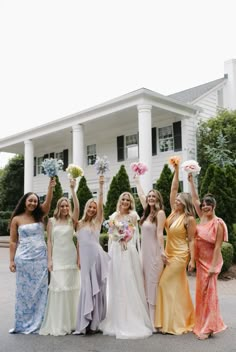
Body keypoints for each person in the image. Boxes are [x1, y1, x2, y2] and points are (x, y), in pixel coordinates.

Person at [100, 192, 153, 339]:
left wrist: (125, 238)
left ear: (131, 203)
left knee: (129, 281)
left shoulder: (133, 215)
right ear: (119, 200)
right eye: (123, 199)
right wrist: (116, 239)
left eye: (128, 200)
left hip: (128, 251)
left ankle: (132, 317)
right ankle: (116, 317)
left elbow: (133, 234)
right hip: (116, 251)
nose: (125, 201)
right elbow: (111, 235)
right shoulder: (113, 216)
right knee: (116, 283)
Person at [9, 177, 56, 334]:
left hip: (40, 259)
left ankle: (39, 321)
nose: (33, 203)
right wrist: (11, 260)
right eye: (30, 201)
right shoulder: (16, 219)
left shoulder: (39, 216)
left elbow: (48, 204)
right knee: (24, 293)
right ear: (25, 201)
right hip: (23, 259)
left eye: (35, 201)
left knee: (40, 291)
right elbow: (13, 242)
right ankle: (23, 323)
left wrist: (50, 187)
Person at [155, 163, 196, 335]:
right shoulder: (172, 213)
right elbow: (173, 189)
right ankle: (173, 320)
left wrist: (192, 260)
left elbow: (192, 240)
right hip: (169, 253)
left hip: (180, 255)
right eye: (176, 199)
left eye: (179, 199)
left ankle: (170, 323)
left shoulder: (189, 218)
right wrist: (177, 170)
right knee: (176, 287)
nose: (176, 200)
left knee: (164, 284)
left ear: (185, 203)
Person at [188, 173, 228, 340]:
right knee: (201, 294)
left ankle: (209, 327)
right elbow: (196, 199)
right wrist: (190, 181)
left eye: (208, 205)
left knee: (210, 294)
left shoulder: (218, 223)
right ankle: (203, 323)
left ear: (214, 206)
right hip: (200, 261)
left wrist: (213, 266)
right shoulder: (202, 217)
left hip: (210, 263)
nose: (204, 207)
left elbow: (218, 246)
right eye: (203, 205)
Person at [39, 178, 80, 336]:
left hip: (70, 257)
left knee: (71, 288)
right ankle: (59, 323)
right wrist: (49, 260)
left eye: (66, 205)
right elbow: (49, 241)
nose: (64, 207)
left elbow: (77, 207)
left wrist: (73, 190)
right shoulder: (51, 221)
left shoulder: (72, 220)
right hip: (58, 258)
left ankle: (72, 323)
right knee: (59, 288)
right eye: (62, 205)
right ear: (58, 207)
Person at [73, 175, 109, 335]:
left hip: (98, 258)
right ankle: (85, 321)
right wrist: (73, 190)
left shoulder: (98, 222)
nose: (93, 209)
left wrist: (101, 187)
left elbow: (101, 205)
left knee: (98, 289)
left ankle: (94, 324)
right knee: (87, 287)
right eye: (90, 207)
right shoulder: (78, 224)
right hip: (86, 260)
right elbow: (79, 243)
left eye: (94, 207)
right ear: (86, 207)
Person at [134, 176, 166, 331]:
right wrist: (137, 181)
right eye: (149, 196)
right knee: (145, 285)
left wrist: (162, 251)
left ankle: (154, 322)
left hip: (154, 255)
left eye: (154, 196)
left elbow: (160, 233)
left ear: (158, 199)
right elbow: (141, 196)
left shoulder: (160, 213)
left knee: (152, 285)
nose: (151, 198)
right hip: (144, 255)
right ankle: (147, 319)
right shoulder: (146, 213)